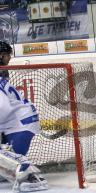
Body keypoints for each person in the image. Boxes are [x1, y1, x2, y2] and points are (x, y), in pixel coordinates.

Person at [0, 41, 48, 192]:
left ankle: (30, 175)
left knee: (10, 158)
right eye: (8, 55)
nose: (9, 59)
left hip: (20, 123)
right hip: (16, 121)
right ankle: (15, 166)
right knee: (6, 159)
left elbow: (3, 107)